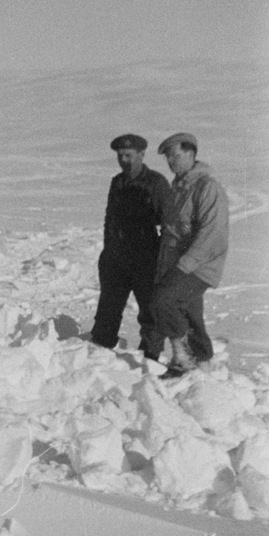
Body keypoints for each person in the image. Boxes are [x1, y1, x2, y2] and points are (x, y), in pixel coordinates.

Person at [152, 132, 230, 379]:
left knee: (162, 300)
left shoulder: (207, 187)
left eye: (174, 155)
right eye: (167, 158)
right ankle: (203, 365)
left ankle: (182, 359)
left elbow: (211, 235)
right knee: (189, 312)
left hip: (199, 265)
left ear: (190, 154)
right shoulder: (178, 188)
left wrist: (183, 266)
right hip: (178, 263)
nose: (170, 162)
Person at [90, 134, 171, 357]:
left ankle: (150, 356)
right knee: (108, 308)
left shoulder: (156, 182)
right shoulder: (117, 181)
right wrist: (107, 251)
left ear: (142, 155)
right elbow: (110, 219)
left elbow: (168, 222)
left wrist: (162, 258)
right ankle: (99, 349)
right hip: (116, 259)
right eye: (120, 156)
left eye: (129, 155)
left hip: (145, 258)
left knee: (149, 310)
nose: (124, 160)